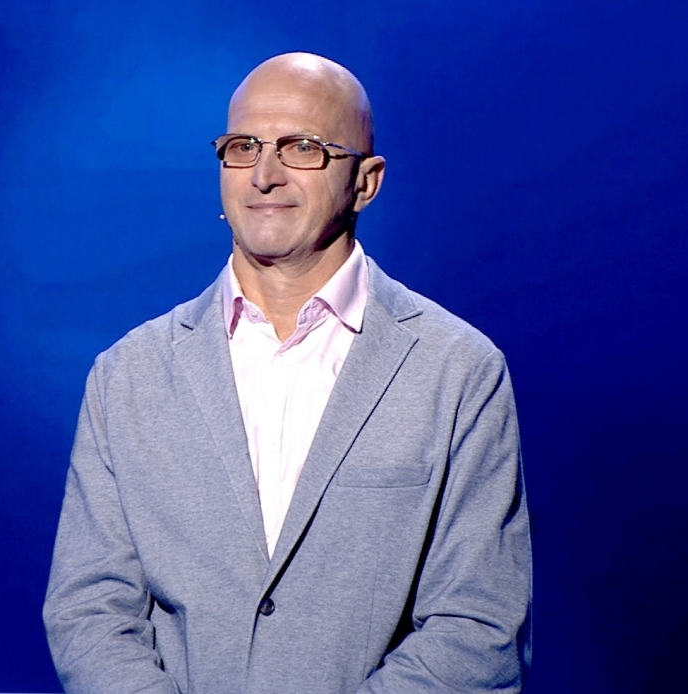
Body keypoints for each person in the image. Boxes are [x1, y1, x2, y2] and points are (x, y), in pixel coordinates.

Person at [43, 52, 532, 693]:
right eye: (243, 147)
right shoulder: (127, 376)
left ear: (366, 182)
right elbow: (89, 612)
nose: (264, 176)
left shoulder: (458, 370)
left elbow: (479, 631)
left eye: (303, 148)